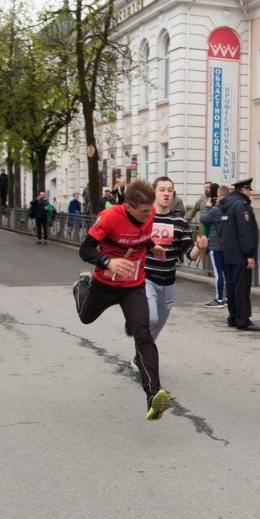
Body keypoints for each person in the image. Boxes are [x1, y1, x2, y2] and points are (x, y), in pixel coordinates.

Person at [71, 179, 171, 421]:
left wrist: (152, 246)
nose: (149, 214)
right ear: (128, 207)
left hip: (133, 285)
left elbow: (141, 235)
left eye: (150, 209)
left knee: (143, 333)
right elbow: (85, 250)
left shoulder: (149, 213)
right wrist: (109, 262)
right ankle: (81, 286)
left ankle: (153, 395)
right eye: (144, 211)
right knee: (85, 318)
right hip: (104, 285)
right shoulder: (108, 217)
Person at [144, 177, 208, 341]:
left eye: (170, 190)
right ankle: (139, 332)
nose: (166, 193)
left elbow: (190, 254)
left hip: (168, 281)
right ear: (154, 193)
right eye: (162, 190)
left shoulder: (180, 222)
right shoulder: (144, 218)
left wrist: (199, 246)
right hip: (146, 278)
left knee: (158, 324)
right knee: (151, 318)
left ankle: (144, 350)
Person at [219, 178, 260, 331]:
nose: (250, 193)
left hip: (229, 253)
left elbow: (219, 227)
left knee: (232, 286)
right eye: (249, 190)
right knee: (242, 288)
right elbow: (245, 232)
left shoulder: (227, 205)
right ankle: (243, 319)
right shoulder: (241, 206)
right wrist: (249, 254)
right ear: (244, 190)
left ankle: (233, 316)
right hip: (240, 255)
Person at [200, 185, 230, 307]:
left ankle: (219, 299)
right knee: (227, 273)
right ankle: (229, 297)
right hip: (227, 245)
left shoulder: (216, 209)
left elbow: (203, 219)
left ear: (219, 195)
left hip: (215, 244)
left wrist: (207, 207)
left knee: (218, 273)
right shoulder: (231, 208)